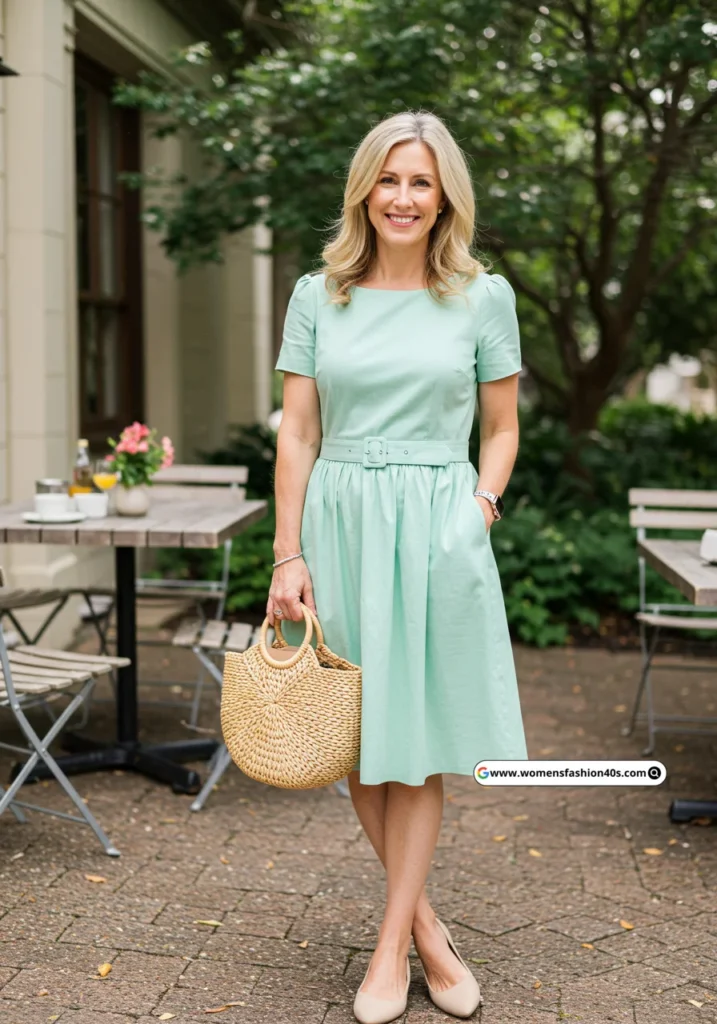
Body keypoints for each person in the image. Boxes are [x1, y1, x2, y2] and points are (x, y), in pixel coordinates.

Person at [269, 109, 528, 1024]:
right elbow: (298, 434)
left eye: (421, 182)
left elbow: (501, 429)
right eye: (388, 179)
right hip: (339, 519)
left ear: (444, 196)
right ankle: (425, 929)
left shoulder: (482, 298)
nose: (403, 198)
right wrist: (287, 553)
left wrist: (476, 511)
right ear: (364, 190)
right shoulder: (318, 295)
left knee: (414, 743)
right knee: (359, 735)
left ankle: (387, 953)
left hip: (435, 524)